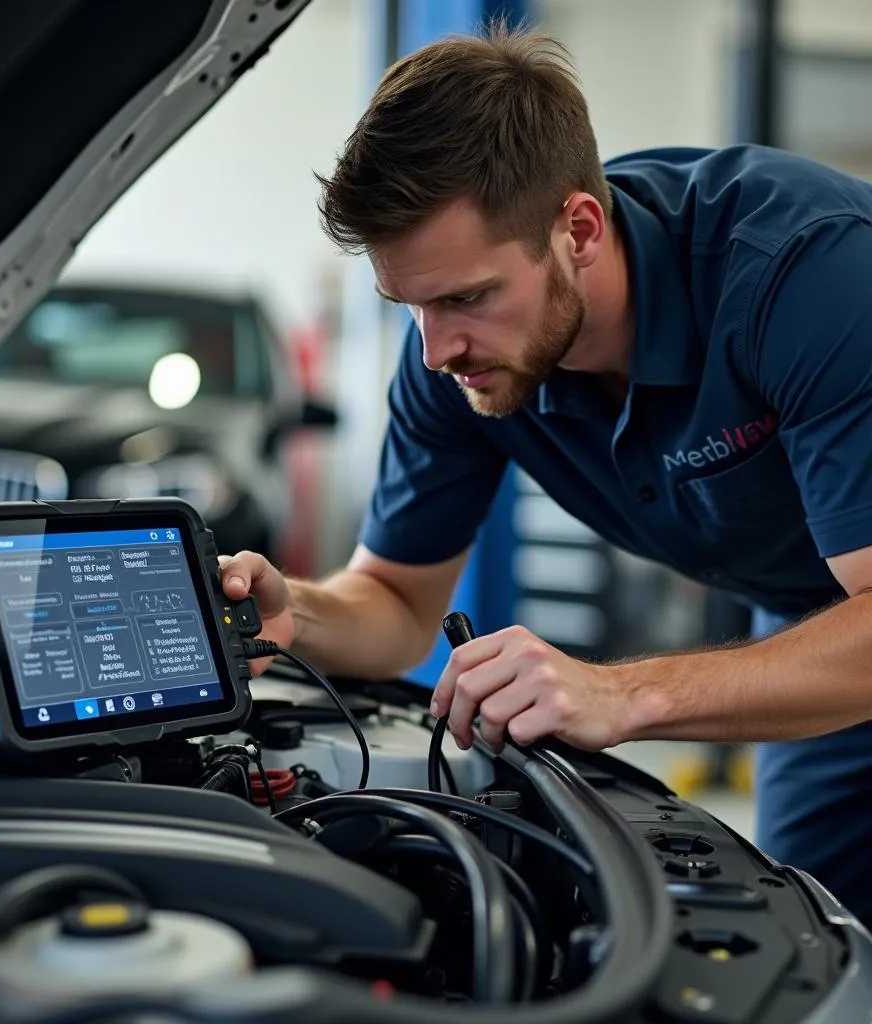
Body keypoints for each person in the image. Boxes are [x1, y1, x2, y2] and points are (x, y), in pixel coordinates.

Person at [220, 24, 872, 927]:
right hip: (819, 627)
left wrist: (623, 690)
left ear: (579, 229)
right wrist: (302, 610)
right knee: (818, 933)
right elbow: (400, 607)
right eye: (408, 305)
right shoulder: (456, 363)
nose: (437, 349)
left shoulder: (806, 275)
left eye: (467, 297)